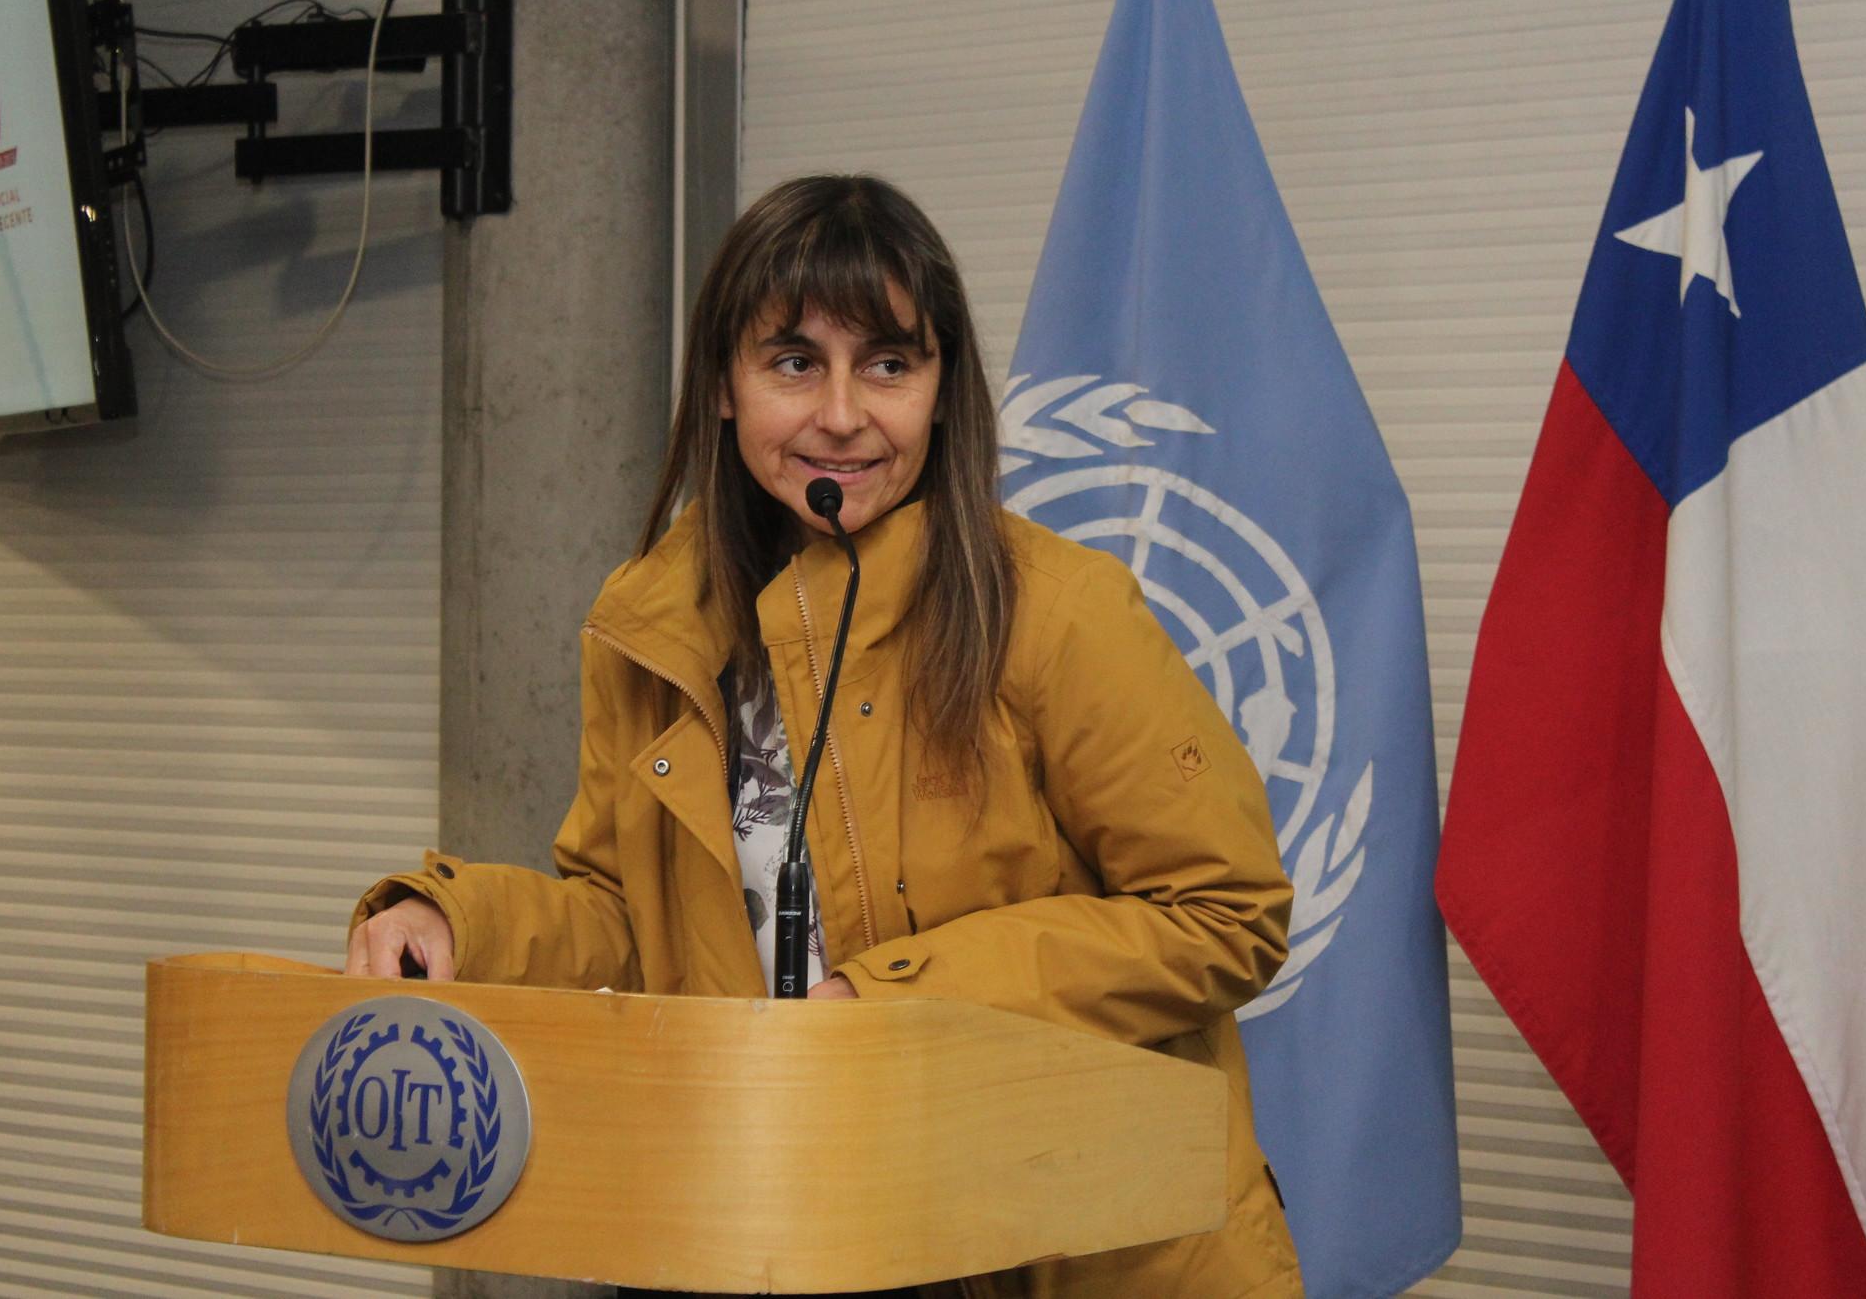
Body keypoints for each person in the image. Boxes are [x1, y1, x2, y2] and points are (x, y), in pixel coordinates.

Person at [346, 174, 1303, 1298]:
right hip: (767, 1232)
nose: (842, 414)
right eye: (793, 362)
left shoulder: (1059, 613)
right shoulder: (649, 629)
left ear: (942, 393)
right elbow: (628, 918)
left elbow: (1224, 915)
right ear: (722, 385)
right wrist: (459, 924)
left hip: (1048, 1245)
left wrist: (891, 1001)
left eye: (888, 364)